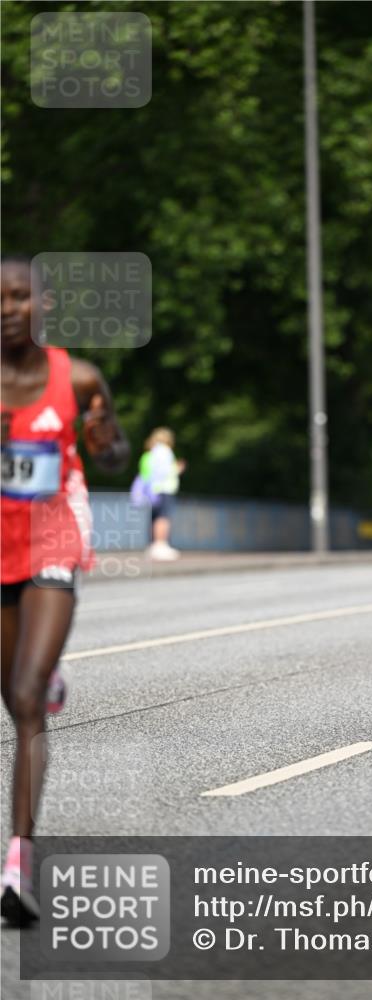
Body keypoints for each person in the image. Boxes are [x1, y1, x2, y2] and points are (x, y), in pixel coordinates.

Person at [1, 257, 129, 925]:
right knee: (13, 688)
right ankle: (41, 671)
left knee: (25, 701)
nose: (7, 308)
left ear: (42, 306)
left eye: (20, 297)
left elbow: (114, 454)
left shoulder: (75, 378)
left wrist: (105, 442)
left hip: (52, 539)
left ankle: (19, 861)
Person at [142, 427, 185, 560]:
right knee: (163, 517)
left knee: (155, 518)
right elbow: (164, 471)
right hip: (164, 488)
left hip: (154, 489)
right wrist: (177, 469)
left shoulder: (152, 452)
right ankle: (161, 545)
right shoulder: (165, 451)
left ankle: (154, 545)